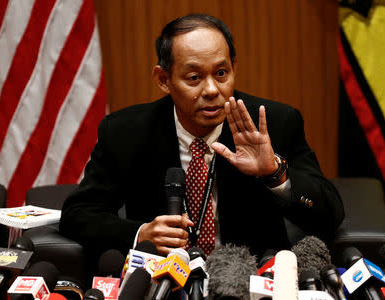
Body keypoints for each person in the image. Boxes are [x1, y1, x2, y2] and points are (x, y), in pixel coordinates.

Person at [60, 14, 344, 260]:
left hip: (253, 279)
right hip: (166, 281)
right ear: (163, 79)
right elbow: (78, 214)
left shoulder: (272, 123)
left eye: (222, 73)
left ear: (234, 67)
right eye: (194, 77)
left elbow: (330, 214)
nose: (211, 90)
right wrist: (140, 233)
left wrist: (275, 174)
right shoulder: (126, 132)